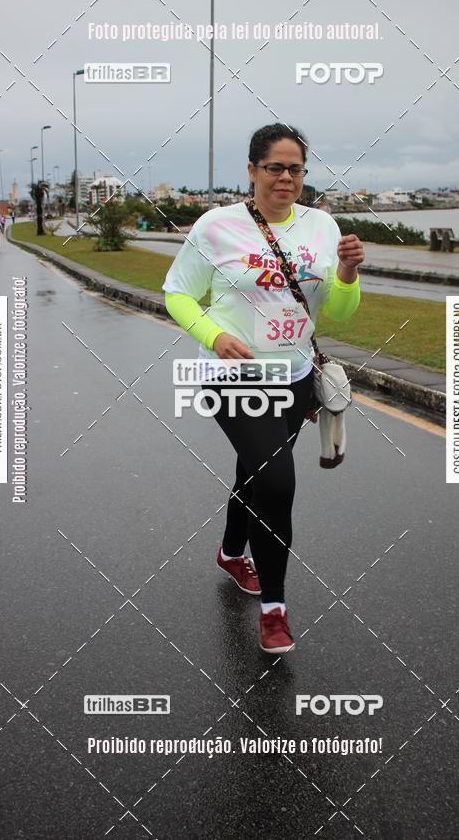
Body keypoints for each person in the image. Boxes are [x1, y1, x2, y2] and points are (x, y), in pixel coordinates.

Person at [162, 123, 364, 654]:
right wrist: (214, 335)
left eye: (295, 169)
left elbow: (339, 310)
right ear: (252, 170)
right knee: (275, 481)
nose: (285, 178)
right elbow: (177, 294)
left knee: (254, 474)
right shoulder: (216, 227)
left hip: (294, 379)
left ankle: (232, 553)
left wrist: (346, 273)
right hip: (234, 378)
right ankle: (274, 609)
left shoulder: (321, 225)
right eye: (274, 167)